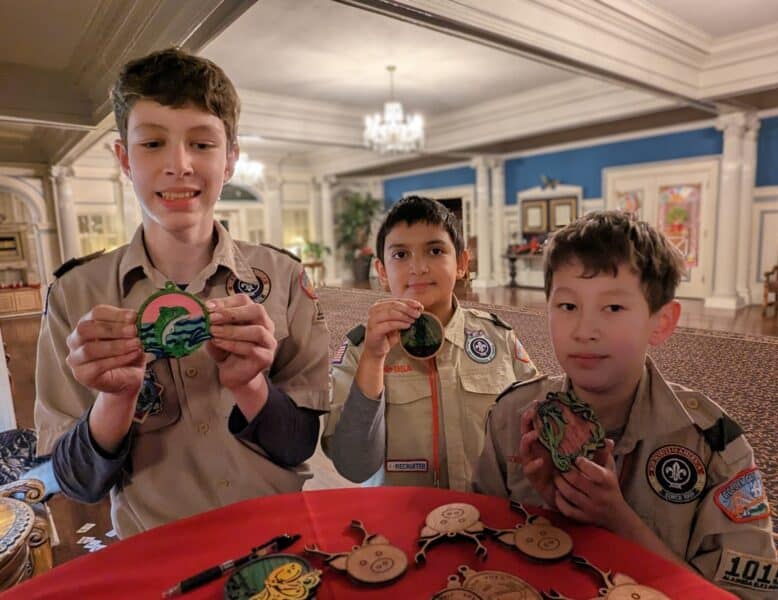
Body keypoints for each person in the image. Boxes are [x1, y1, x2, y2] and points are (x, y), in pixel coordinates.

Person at [34, 48, 330, 538]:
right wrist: (114, 400)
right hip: (155, 553)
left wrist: (251, 386)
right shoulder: (74, 295)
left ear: (231, 158)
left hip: (279, 540)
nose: (179, 165)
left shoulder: (285, 279)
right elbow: (76, 483)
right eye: (152, 144)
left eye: (202, 144)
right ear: (124, 159)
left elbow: (299, 446)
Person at [473, 211, 778, 599]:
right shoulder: (512, 416)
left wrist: (620, 523)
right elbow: (478, 542)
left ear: (662, 322)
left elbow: (751, 596)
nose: (585, 331)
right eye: (568, 307)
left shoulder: (713, 446)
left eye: (614, 309)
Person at [323, 196, 538, 491]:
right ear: (382, 272)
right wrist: (373, 359)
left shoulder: (497, 338)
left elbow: (536, 427)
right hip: (397, 522)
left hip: (487, 517)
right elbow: (353, 465)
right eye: (400, 255)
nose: (418, 268)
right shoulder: (360, 350)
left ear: (462, 263)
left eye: (435, 251)